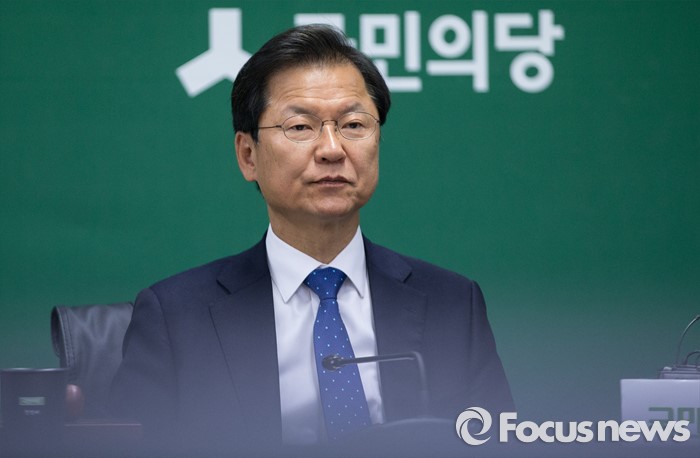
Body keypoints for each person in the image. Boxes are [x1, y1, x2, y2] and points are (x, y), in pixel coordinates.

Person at [109, 24, 513, 455]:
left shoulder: (454, 305)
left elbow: (498, 446)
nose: (332, 149)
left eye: (353, 124)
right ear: (248, 155)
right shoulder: (176, 318)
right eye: (300, 126)